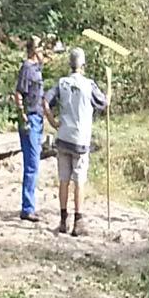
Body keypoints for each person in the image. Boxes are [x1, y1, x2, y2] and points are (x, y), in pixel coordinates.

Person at [43, 48, 107, 236]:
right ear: (83, 66)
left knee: (63, 180)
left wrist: (53, 122)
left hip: (63, 137)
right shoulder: (89, 85)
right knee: (79, 181)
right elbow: (103, 103)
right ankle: (78, 221)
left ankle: (63, 220)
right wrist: (109, 93)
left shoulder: (62, 83)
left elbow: (45, 102)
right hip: (80, 140)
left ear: (69, 65)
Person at [15, 36, 45, 222]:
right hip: (30, 118)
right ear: (34, 50)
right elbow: (19, 92)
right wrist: (22, 114)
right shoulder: (27, 68)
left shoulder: (36, 68)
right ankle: (27, 207)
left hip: (38, 118)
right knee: (32, 163)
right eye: (41, 47)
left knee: (35, 162)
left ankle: (29, 204)